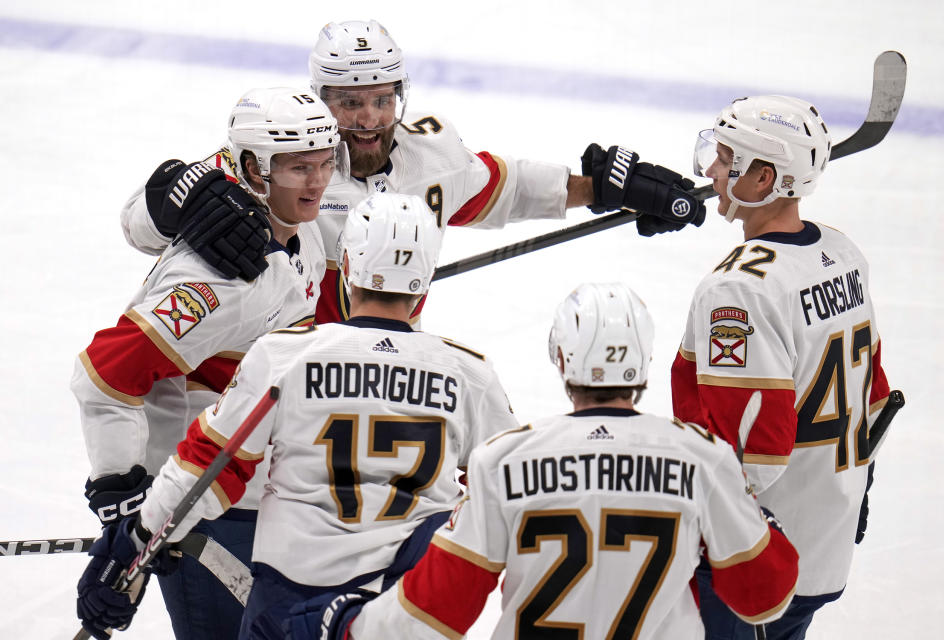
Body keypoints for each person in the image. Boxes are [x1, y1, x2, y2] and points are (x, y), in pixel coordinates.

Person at [76, 192, 522, 640]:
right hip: (405, 609)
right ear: (425, 283)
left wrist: (132, 543)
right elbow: (509, 496)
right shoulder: (469, 373)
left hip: (290, 604)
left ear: (345, 266)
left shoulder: (285, 356)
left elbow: (209, 468)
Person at [119, 19, 707, 326]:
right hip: (276, 373)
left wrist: (602, 187)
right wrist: (175, 197)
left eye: (382, 99)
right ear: (319, 99)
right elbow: (140, 228)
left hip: (387, 367)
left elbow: (502, 190)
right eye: (350, 103)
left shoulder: (430, 151)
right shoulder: (277, 159)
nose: (370, 119)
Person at [302, 282, 799, 639]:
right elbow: (765, 600)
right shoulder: (702, 459)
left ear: (561, 358)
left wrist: (354, 626)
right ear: (643, 362)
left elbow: (440, 608)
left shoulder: (504, 460)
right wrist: (761, 525)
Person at [72, 86, 342, 640]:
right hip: (213, 496)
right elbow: (103, 372)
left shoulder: (281, 207)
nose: (317, 183)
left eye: (323, 164)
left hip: (267, 480)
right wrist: (122, 497)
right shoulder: (221, 280)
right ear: (254, 169)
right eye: (298, 168)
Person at [671, 95, 893, 639]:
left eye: (725, 160)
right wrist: (851, 488)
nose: (710, 170)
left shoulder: (741, 289)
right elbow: (876, 397)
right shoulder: (841, 254)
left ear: (764, 176)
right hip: (824, 535)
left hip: (755, 557)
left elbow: (751, 453)